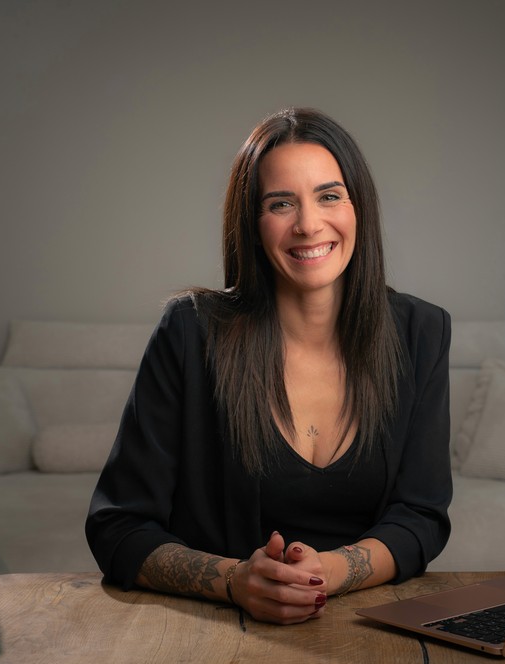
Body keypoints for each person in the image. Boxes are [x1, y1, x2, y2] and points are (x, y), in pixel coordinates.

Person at [86, 107, 452, 625]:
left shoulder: (421, 332)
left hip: (372, 629)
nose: (308, 224)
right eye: (281, 203)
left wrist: (327, 571)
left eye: (329, 195)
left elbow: (422, 516)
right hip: (214, 637)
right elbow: (117, 527)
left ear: (358, 208)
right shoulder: (190, 332)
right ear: (252, 225)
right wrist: (236, 581)